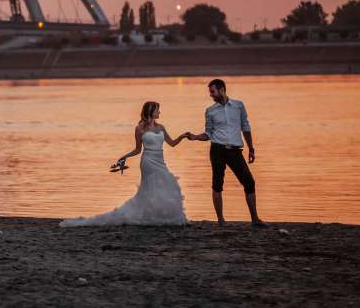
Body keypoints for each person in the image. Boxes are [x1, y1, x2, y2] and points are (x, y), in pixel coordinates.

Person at [61, 101, 189, 227]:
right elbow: (138, 149)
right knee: (151, 187)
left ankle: (159, 215)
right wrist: (124, 157)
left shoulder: (161, 127)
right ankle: (150, 215)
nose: (159, 112)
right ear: (150, 111)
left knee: (165, 182)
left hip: (160, 161)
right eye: (157, 110)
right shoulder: (139, 128)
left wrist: (183, 136)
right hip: (148, 161)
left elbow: (172, 143)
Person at [183, 79, 266, 228]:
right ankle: (221, 220)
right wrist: (195, 137)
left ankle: (255, 219)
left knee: (249, 182)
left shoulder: (238, 106)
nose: (211, 95)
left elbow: (245, 127)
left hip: (235, 151)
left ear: (222, 90)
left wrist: (251, 148)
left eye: (212, 91)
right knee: (217, 184)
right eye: (210, 92)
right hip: (217, 150)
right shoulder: (210, 111)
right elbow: (208, 134)